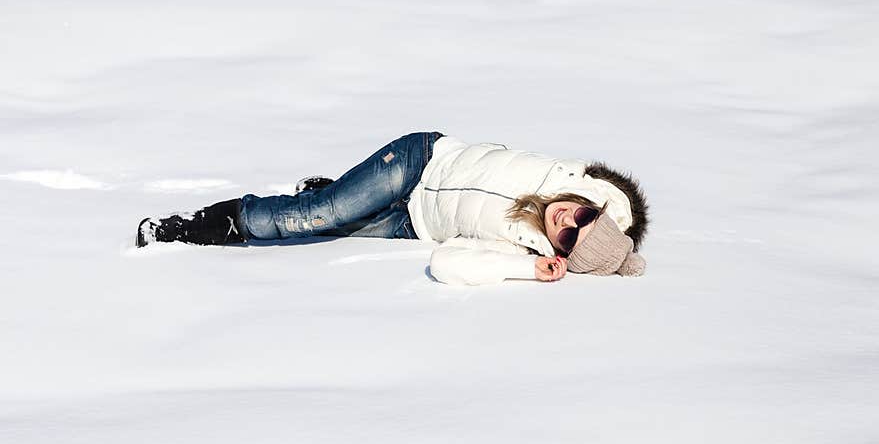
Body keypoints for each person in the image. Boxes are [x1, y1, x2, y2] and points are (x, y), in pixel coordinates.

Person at [136, 131, 649, 285]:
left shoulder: (526, 244)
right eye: (583, 217)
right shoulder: (571, 178)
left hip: (414, 222)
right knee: (312, 218)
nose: (567, 221)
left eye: (569, 238)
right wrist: (616, 241)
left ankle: (328, 190)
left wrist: (527, 268)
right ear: (595, 207)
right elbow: (618, 205)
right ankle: (188, 229)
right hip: (420, 163)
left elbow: (448, 264)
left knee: (329, 222)